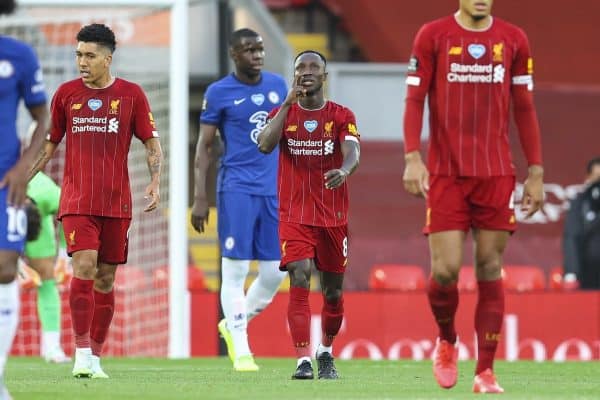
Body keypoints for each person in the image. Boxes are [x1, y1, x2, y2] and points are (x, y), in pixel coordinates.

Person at [402, 0, 544, 394]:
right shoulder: (433, 35)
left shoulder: (514, 39)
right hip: (446, 172)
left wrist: (536, 170)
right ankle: (447, 339)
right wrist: (412, 157)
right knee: (446, 271)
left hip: (496, 173)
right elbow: (414, 100)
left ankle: (485, 372)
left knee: (489, 266)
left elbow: (525, 107)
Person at [29, 23, 162, 379]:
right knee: (83, 266)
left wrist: (155, 181)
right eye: (78, 55)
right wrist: (22, 181)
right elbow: (49, 144)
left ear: (108, 58)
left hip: (117, 204)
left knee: (105, 279)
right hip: (77, 201)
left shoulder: (131, 95)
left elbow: (151, 142)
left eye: (89, 56)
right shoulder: (66, 94)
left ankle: (97, 356)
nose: (82, 62)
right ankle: (81, 351)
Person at [258, 50, 361, 380]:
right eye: (300, 67)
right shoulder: (283, 113)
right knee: (299, 275)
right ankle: (302, 359)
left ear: (324, 77)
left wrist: (345, 170)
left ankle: (326, 351)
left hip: (333, 217)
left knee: (333, 292)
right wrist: (287, 105)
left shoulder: (341, 114)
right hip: (294, 215)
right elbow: (263, 144)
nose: (306, 71)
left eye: (313, 67)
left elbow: (353, 150)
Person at [190, 28, 287, 372]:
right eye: (249, 50)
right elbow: (205, 146)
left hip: (273, 191)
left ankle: (233, 322)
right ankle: (243, 351)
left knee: (275, 273)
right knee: (235, 271)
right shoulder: (219, 93)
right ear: (234, 54)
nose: (257, 55)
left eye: (260, 49)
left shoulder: (278, 86)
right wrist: (201, 197)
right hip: (236, 190)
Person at [0, 0, 49, 398]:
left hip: (5, 181)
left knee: (4, 266)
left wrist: (22, 166)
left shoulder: (18, 55)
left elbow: (42, 116)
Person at [22, 172, 70, 363]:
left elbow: (69, 215)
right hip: (5, 214)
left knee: (46, 278)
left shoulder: (49, 194)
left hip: (37, 220)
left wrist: (64, 256)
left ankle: (52, 348)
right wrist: (17, 267)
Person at [563, 157, 600, 289]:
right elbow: (572, 237)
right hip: (588, 271)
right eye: (596, 178)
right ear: (588, 177)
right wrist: (571, 272)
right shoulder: (579, 202)